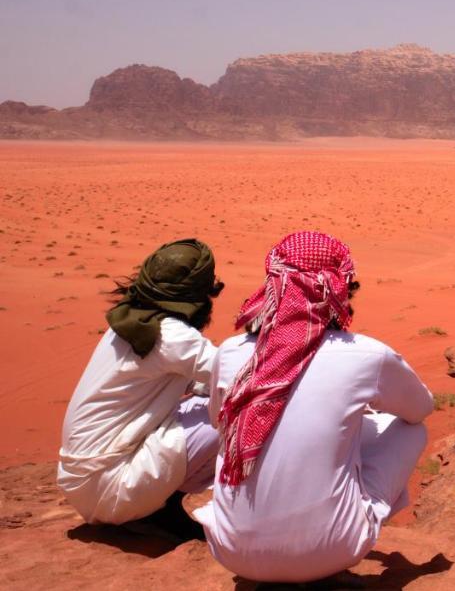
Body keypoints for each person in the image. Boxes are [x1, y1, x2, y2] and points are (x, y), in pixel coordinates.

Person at [196, 231, 433, 584]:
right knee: (410, 429)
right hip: (332, 551)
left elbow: (218, 420)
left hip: (232, 552)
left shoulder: (232, 352)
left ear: (272, 285)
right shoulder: (367, 354)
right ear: (341, 288)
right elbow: (421, 409)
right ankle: (333, 532)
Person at [57, 239, 222, 539]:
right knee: (238, 414)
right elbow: (241, 376)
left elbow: (195, 379)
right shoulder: (171, 336)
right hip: (111, 487)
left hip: (84, 481)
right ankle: (162, 510)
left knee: (206, 402)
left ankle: (162, 507)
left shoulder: (130, 322)